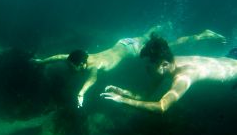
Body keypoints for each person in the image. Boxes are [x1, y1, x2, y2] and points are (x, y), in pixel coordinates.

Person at [32, 28, 226, 108]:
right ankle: (156, 27)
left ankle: (202, 35)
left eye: (73, 67)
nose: (70, 68)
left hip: (133, 49)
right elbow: (59, 57)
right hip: (125, 42)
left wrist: (81, 93)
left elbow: (93, 79)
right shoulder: (81, 56)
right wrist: (41, 61)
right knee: (152, 38)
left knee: (170, 46)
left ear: (82, 63)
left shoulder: (95, 65)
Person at [100, 34, 237, 113]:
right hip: (229, 56)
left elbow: (161, 107)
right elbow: (145, 95)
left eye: (149, 68)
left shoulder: (184, 76)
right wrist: (122, 92)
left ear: (164, 64)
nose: (147, 72)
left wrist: (122, 101)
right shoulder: (167, 66)